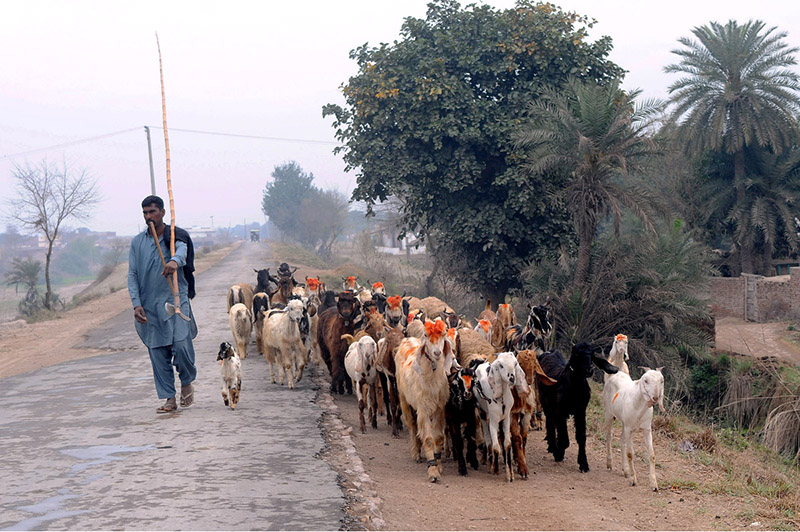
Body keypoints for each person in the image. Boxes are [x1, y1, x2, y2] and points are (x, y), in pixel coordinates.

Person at [128, 195, 198, 413]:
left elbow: (182, 251)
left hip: (175, 299)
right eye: (145, 213)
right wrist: (136, 303)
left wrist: (173, 262)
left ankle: (186, 381)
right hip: (149, 304)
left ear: (163, 213)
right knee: (157, 351)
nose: (149, 217)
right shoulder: (137, 242)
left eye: (153, 212)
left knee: (181, 344)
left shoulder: (175, 235)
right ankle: (169, 397)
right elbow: (132, 274)